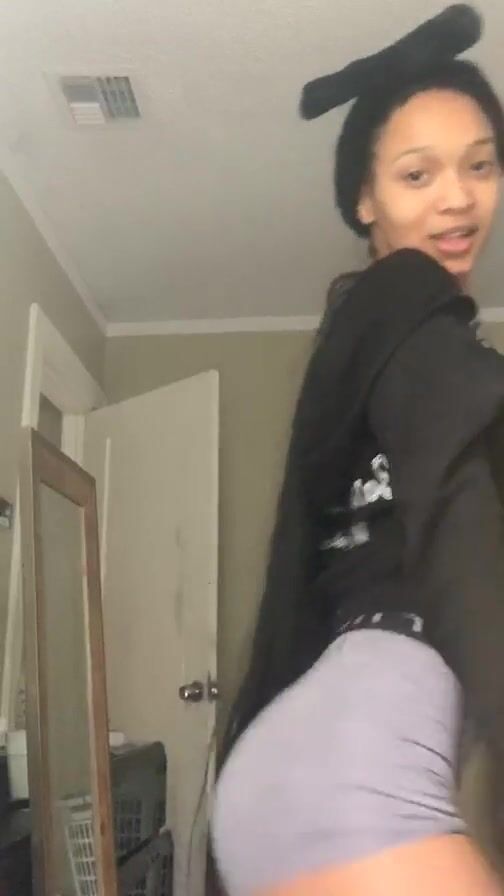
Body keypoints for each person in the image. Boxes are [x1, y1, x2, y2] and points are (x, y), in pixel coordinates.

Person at [211, 5, 504, 895]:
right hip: (352, 780)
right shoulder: (410, 302)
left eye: (481, 164)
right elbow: (458, 515)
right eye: (418, 173)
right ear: (364, 200)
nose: (458, 197)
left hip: (316, 766)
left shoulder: (370, 333)